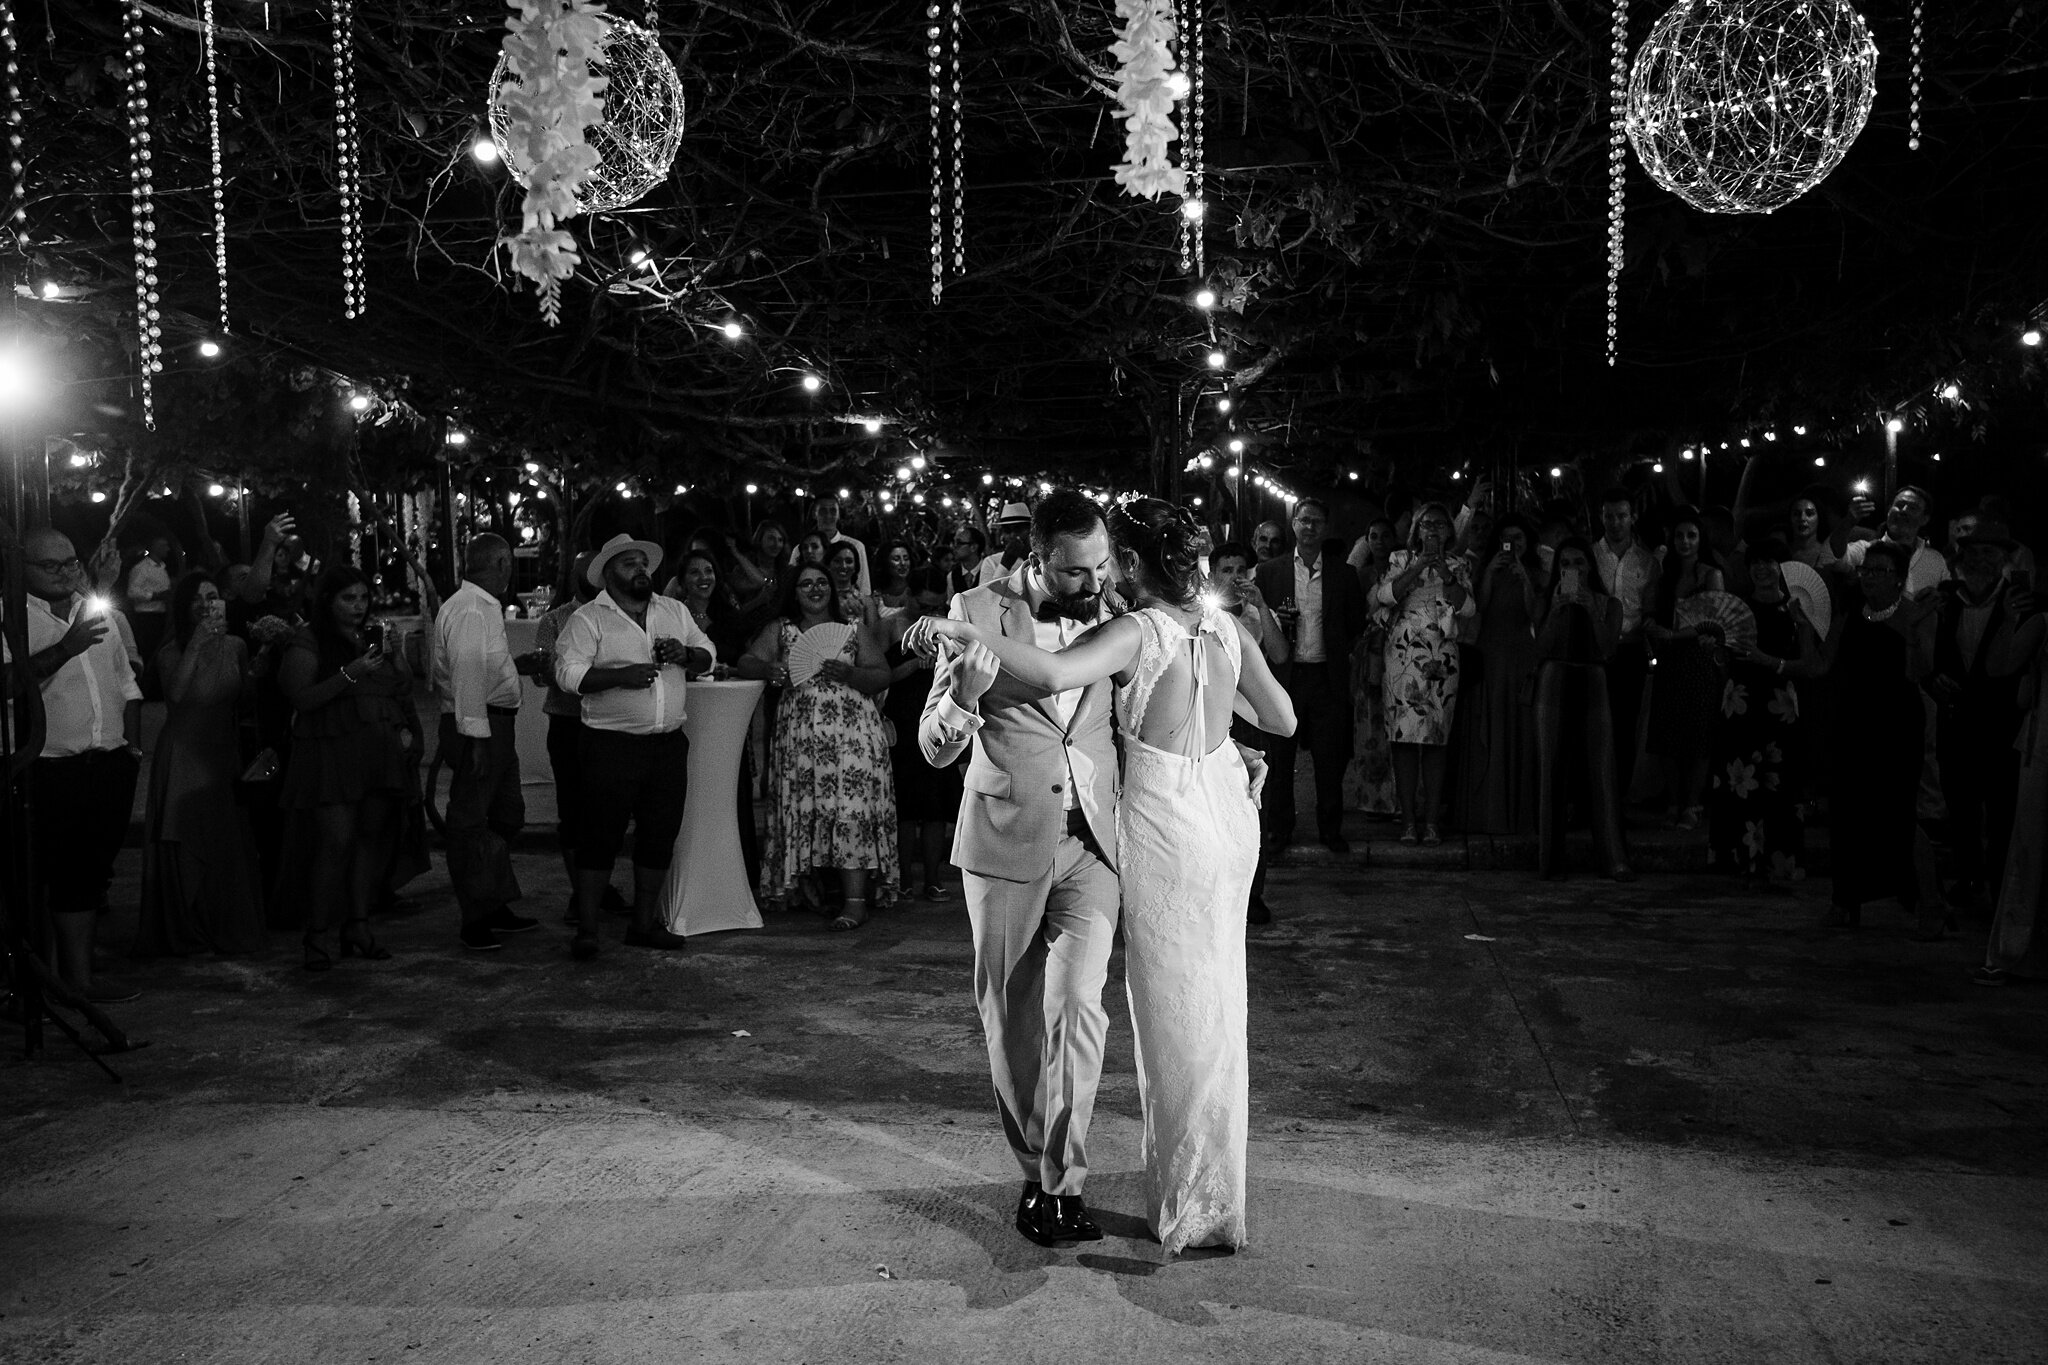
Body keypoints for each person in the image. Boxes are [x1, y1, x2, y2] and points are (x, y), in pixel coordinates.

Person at [906, 494, 1294, 1257]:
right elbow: (932, 746)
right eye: (1075, 570)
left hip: (1101, 841)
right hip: (1006, 837)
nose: (1094, 581)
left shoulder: (1125, 610)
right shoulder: (977, 605)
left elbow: (1123, 688)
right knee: (1011, 1018)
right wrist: (964, 696)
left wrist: (1219, 752)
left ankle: (1060, 1184)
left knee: (1080, 1008)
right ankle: (1034, 1166)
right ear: (1036, 555)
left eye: (1103, 565)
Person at [553, 534, 714, 959]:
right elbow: (567, 675)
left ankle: (643, 925)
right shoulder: (589, 619)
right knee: (599, 836)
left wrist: (688, 654)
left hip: (666, 745)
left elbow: (709, 652)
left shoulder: (674, 610)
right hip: (610, 745)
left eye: (643, 563)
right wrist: (618, 676)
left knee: (659, 835)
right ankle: (587, 930)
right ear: (608, 574)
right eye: (629, 564)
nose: (640, 570)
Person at [4, 529, 145, 1001]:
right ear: (21, 567)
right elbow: (6, 683)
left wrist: (131, 750)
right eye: (52, 566)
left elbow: (126, 684)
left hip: (105, 765)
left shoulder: (98, 610)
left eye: (71, 563)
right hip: (45, 768)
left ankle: (79, 981)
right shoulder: (9, 617)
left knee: (87, 877)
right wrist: (66, 647)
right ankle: (36, 984)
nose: (66, 572)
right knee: (40, 874)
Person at [277, 565, 424, 970]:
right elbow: (301, 698)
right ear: (328, 601)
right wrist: (350, 672)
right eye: (348, 598)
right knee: (335, 842)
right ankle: (318, 932)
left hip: (376, 750)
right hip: (332, 751)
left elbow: (401, 687)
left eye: (362, 598)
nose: (358, 606)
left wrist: (395, 656)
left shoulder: (370, 634)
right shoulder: (309, 639)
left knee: (368, 839)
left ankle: (358, 925)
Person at [738, 562, 899, 925]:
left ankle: (855, 901)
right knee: (807, 808)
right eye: (806, 584)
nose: (815, 589)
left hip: (854, 736)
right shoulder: (781, 630)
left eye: (822, 582)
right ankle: (807, 888)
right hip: (801, 738)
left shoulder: (852, 631)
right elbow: (747, 662)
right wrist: (769, 670)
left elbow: (882, 674)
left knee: (851, 809)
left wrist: (851, 673)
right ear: (793, 591)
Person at [135, 572, 264, 956]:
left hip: (220, 752)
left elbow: (245, 698)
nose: (204, 604)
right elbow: (175, 694)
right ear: (183, 605)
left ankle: (220, 924)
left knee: (223, 842)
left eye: (211, 596)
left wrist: (262, 665)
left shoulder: (236, 645)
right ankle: (186, 929)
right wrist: (197, 645)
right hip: (184, 753)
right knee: (188, 844)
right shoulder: (171, 651)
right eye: (196, 598)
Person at [1820, 542, 1932, 930]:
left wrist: (1915, 634)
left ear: (1899, 578)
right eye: (1866, 570)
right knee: (1846, 811)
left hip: (1895, 728)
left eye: (1879, 571)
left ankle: (1921, 901)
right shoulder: (1852, 614)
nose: (1869, 577)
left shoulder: (1914, 615)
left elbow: (1920, 673)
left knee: (1896, 811)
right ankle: (1845, 900)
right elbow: (1824, 663)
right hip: (1852, 725)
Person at [433, 533, 533, 953]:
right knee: (471, 820)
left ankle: (490, 900)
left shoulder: (477, 606)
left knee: (506, 814)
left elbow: (482, 667)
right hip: (480, 726)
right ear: (500, 563)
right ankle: (476, 915)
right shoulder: (472, 608)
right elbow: (469, 675)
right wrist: (474, 738)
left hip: (492, 725)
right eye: (507, 562)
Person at [1926, 523, 2033, 909]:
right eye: (1973, 553)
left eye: (1990, 553)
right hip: (1956, 719)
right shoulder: (1945, 600)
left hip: (2000, 722)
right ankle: (1970, 879)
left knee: (2002, 810)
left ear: (2003, 560)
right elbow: (1928, 654)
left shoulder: (2019, 603)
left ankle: (2002, 887)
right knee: (1961, 807)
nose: (1981, 561)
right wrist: (1932, 679)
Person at [1257, 497, 1369, 852]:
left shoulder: (1343, 573)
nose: (1309, 527)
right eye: (1304, 521)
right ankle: (1280, 829)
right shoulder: (1271, 571)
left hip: (1326, 675)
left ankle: (1330, 828)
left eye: (1316, 522)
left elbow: (1356, 623)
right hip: (1285, 674)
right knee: (1280, 754)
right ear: (1293, 525)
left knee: (1329, 756)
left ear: (1326, 528)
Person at [1712, 540, 1820, 883]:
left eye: (1768, 562)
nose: (1761, 569)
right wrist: (1715, 651)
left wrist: (1767, 661)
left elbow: (1808, 665)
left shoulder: (1795, 610)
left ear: (1781, 567)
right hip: (1741, 701)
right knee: (1740, 782)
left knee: (1779, 784)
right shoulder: (1737, 608)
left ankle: (1779, 863)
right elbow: (1724, 663)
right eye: (1756, 563)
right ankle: (1740, 860)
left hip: (1778, 703)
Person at [1371, 501, 1475, 845]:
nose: (1433, 529)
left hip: (1441, 657)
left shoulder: (1459, 564)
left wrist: (1445, 572)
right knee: (1402, 740)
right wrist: (1418, 566)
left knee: (1436, 740)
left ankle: (1431, 822)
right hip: (1403, 655)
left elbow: (1469, 607)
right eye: (1427, 524)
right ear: (1417, 529)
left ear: (1449, 531)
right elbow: (1386, 595)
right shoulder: (1399, 559)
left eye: (1440, 524)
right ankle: (1408, 822)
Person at [1531, 537, 1631, 880]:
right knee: (1550, 767)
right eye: (1565, 563)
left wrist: (1591, 609)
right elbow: (1540, 648)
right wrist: (1557, 609)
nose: (1571, 570)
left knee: (1602, 767)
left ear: (1590, 567)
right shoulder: (1547, 601)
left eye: (1579, 563)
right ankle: (1550, 859)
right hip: (1554, 675)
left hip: (1593, 677)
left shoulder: (1609, 603)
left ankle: (1614, 857)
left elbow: (1607, 649)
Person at [1212, 540, 1288, 923]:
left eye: (1241, 570)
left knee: (1255, 804)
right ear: (1212, 575)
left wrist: (1260, 607)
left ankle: (1253, 893)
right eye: (1226, 570)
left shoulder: (1258, 612)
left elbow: (1280, 655)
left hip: (1251, 718)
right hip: (1213, 715)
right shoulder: (1202, 614)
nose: (1234, 577)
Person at [1977, 574, 2048, 985]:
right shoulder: (2043, 623)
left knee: (2031, 848)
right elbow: (2001, 668)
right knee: (2030, 847)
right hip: (2042, 748)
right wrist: (2009, 620)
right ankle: (2018, 952)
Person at [1458, 513, 1544, 835]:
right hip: (1490, 655)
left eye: (1518, 540)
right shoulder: (1482, 570)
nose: (1513, 546)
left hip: (1521, 654)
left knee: (1519, 728)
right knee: (1489, 726)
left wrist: (1523, 578)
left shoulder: (1537, 573)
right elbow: (1476, 612)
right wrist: (1491, 576)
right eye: (1507, 540)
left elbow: (1535, 615)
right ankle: (1487, 810)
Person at [1644, 507, 1728, 829]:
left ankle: (1692, 804)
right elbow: (1651, 610)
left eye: (1691, 535)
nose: (1684, 541)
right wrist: (1652, 625)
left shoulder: (1710, 574)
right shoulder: (1665, 576)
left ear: (1700, 538)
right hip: (1668, 660)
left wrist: (1676, 635)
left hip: (1699, 660)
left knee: (1697, 737)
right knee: (1667, 736)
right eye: (1679, 535)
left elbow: (1716, 620)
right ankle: (1674, 801)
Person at [881, 581, 960, 900]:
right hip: (901, 717)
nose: (930, 613)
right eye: (924, 607)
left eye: (936, 608)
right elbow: (880, 676)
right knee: (905, 808)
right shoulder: (890, 626)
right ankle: (902, 878)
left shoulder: (949, 625)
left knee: (934, 807)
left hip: (936, 719)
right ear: (910, 598)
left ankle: (932, 876)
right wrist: (915, 662)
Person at [1592, 488, 1659, 805]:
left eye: (1621, 516)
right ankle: (1592, 798)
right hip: (1594, 650)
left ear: (1632, 518)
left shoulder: (1646, 562)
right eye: (1609, 516)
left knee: (1625, 727)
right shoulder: (1591, 556)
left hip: (1630, 650)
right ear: (1601, 517)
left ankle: (1617, 800)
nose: (1615, 522)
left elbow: (1649, 610)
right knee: (1594, 724)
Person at [1342, 518, 1400, 820]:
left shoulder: (1405, 571)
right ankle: (1371, 799)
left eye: (1385, 535)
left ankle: (1398, 798)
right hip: (1368, 655)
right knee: (1369, 725)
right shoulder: (1360, 576)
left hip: (1398, 652)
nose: (1379, 541)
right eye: (1373, 536)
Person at [1839, 486, 1948, 599]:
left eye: (1913, 508)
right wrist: (1848, 521)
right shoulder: (1865, 550)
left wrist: (1938, 596)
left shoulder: (1936, 559)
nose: (1904, 510)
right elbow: (1834, 558)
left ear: (1925, 519)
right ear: (1889, 510)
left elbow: (1947, 593)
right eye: (1899, 505)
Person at [807, 494, 871, 593]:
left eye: (833, 511)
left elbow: (864, 587)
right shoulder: (804, 549)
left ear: (838, 515)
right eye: (823, 511)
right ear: (814, 514)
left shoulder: (856, 546)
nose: (828, 516)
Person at [976, 502, 1034, 585]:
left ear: (1031, 530)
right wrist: (1005, 565)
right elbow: (986, 596)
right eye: (1008, 530)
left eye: (1018, 529)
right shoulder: (991, 562)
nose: (1013, 535)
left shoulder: (1042, 559)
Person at [1786, 492, 1838, 570]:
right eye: (1796, 514)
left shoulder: (1827, 554)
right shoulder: (1782, 553)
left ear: (1819, 518)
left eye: (1809, 514)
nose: (1802, 518)